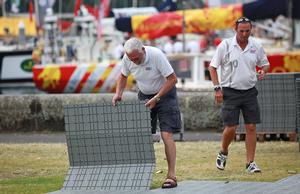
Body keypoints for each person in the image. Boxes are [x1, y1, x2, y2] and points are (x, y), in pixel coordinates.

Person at [112, 37, 181, 188]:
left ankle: (171, 176)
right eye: (131, 59)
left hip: (165, 94)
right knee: (140, 135)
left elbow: (172, 79)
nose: (134, 61)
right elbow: (123, 76)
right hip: (144, 95)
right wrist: (118, 93)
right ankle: (139, 174)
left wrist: (157, 97)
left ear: (143, 49)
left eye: (137, 58)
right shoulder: (128, 58)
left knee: (166, 134)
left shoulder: (156, 55)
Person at [208, 17, 270, 173]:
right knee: (231, 127)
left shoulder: (256, 45)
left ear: (251, 29)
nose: (244, 34)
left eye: (247, 31)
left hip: (249, 90)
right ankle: (223, 151)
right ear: (235, 29)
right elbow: (212, 67)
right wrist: (217, 88)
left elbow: (265, 63)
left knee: (251, 126)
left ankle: (250, 162)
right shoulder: (226, 45)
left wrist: (263, 70)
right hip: (230, 90)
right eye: (241, 31)